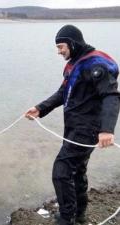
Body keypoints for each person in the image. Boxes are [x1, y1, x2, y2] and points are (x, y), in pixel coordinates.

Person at [25, 25, 120, 225]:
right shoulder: (74, 64)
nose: (59, 51)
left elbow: (111, 96)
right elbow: (62, 93)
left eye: (61, 47)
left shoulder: (96, 65)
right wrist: (40, 109)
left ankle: (67, 219)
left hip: (87, 129)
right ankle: (79, 214)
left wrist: (106, 130)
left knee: (61, 171)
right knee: (77, 171)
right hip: (74, 127)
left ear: (73, 43)